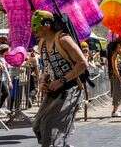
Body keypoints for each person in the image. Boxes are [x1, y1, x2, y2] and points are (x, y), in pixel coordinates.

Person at [30, 10, 88, 147]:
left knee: (49, 126)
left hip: (70, 89)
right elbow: (47, 67)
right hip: (53, 90)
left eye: (36, 27)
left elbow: (82, 64)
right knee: (37, 125)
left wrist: (62, 80)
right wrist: (43, 81)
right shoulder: (42, 43)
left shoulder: (63, 39)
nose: (34, 31)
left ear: (47, 25)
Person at [107, 39, 121, 118]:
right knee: (118, 93)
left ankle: (115, 109)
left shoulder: (117, 54)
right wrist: (119, 78)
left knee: (120, 92)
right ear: (118, 46)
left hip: (117, 76)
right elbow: (115, 68)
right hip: (116, 76)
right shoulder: (114, 55)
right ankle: (114, 111)